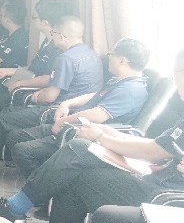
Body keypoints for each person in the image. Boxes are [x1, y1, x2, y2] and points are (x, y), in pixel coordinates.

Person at [0, 49, 184, 223]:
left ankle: (15, 208)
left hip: (165, 194)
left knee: (80, 148)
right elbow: (159, 144)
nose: (176, 82)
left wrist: (100, 137)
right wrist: (109, 133)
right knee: (71, 183)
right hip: (154, 176)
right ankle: (15, 210)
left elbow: (155, 152)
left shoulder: (134, 89)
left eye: (177, 74)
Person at [0, 15, 104, 175]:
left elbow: (50, 96)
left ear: (61, 36)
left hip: (57, 112)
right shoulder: (90, 54)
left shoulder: (67, 58)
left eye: (54, 34)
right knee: (8, 113)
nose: (52, 37)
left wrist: (35, 96)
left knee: (5, 119)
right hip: (79, 111)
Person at [9, 38, 150, 177]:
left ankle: (42, 185)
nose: (109, 58)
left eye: (111, 55)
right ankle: (45, 176)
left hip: (84, 136)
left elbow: (97, 115)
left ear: (122, 61)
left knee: (22, 151)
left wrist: (62, 121)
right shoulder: (120, 81)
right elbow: (96, 95)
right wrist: (67, 103)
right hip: (73, 126)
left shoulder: (130, 90)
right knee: (15, 136)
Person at [0, 0, 67, 128]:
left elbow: (49, 78)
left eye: (34, 17)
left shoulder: (58, 48)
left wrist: (19, 83)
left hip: (30, 91)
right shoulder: (47, 42)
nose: (32, 20)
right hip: (23, 82)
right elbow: (32, 68)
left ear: (45, 23)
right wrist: (6, 71)